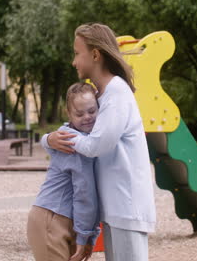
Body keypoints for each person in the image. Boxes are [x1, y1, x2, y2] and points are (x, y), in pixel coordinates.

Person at [43, 23, 156, 261]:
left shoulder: (117, 92)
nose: (74, 62)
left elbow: (96, 145)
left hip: (127, 207)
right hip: (116, 207)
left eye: (77, 53)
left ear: (95, 55)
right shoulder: (103, 95)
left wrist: (60, 138)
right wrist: (49, 139)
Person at [27, 82, 101, 261]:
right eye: (79, 113)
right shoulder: (75, 143)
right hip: (52, 219)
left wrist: (89, 234)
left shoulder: (90, 139)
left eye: (92, 111)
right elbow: (85, 193)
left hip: (63, 219)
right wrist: (86, 235)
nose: (87, 117)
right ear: (69, 114)